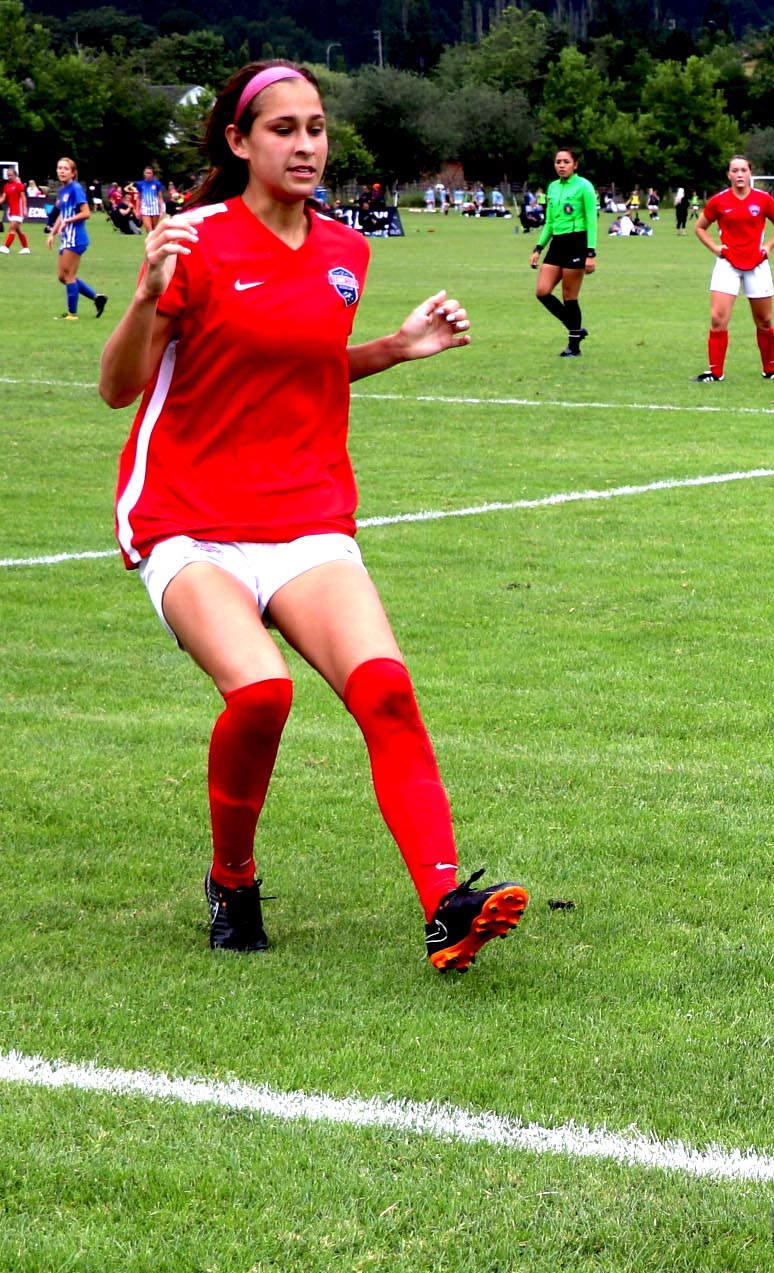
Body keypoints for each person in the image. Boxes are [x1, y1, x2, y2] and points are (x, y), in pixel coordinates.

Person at [98, 61, 526, 972]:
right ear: (239, 142)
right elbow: (116, 388)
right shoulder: (195, 242)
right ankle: (233, 878)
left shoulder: (345, 250)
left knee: (386, 689)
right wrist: (141, 298)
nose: (305, 145)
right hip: (186, 515)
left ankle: (447, 904)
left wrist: (398, 347)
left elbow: (305, 365)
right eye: (284, 129)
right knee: (261, 691)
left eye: (317, 128)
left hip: (303, 514)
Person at [694, 153, 774, 382]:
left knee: (764, 321)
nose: (739, 174)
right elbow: (700, 227)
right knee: (718, 319)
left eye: (743, 170)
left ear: (750, 173)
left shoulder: (763, 199)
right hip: (728, 264)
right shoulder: (719, 201)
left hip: (757, 264)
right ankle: (715, 373)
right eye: (734, 171)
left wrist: (768, 247)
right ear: (729, 174)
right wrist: (715, 248)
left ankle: (770, 370)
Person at [529, 146, 596, 357]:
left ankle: (574, 346)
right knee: (542, 291)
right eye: (558, 162)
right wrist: (538, 247)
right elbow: (549, 221)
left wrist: (591, 252)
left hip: (577, 242)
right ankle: (575, 329)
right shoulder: (552, 187)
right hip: (557, 243)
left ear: (575, 165)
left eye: (566, 161)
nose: (561, 165)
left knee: (569, 296)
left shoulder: (584, 186)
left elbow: (592, 220)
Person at [48, 158, 107, 320]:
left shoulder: (75, 188)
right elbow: (63, 213)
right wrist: (52, 232)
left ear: (73, 172)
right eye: (59, 168)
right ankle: (97, 298)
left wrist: (68, 221)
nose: (61, 171)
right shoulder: (64, 190)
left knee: (69, 276)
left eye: (65, 169)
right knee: (62, 276)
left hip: (76, 238)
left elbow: (86, 213)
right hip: (67, 238)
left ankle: (72, 314)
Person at [3, 164, 31, 255]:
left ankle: (6, 247)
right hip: (12, 211)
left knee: (11, 228)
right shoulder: (7, 186)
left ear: (15, 175)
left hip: (18, 211)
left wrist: (24, 209)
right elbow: (3, 197)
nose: (9, 177)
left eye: (11, 175)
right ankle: (26, 248)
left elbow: (23, 197)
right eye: (8, 175)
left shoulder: (19, 185)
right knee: (18, 230)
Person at [136, 165, 166, 235]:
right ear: (144, 174)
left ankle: (155, 244)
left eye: (150, 173)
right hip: (145, 208)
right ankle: (150, 243)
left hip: (155, 208)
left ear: (152, 174)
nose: (148, 174)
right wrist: (137, 210)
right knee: (148, 228)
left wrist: (162, 210)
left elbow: (160, 198)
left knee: (154, 229)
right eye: (147, 173)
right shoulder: (140, 184)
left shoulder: (156, 184)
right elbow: (139, 198)